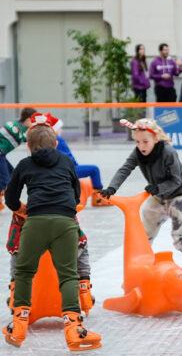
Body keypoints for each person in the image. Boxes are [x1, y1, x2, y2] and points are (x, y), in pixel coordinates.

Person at [2, 114, 101, 351]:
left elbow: (9, 196)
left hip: (35, 222)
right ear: (56, 144)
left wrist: (20, 208)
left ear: (28, 146)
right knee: (68, 275)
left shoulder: (25, 164)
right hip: (66, 223)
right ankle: (75, 330)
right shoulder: (66, 163)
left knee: (25, 272)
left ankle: (19, 325)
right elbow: (77, 195)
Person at [98, 118, 182, 296]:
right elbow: (125, 169)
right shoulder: (138, 152)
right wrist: (112, 188)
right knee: (143, 236)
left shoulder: (168, 152)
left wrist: (158, 188)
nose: (141, 146)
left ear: (155, 139)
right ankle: (141, 274)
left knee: (180, 236)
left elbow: (177, 180)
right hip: (158, 194)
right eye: (137, 141)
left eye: (145, 141)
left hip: (179, 194)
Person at [47, 113, 111, 207]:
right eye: (60, 128)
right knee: (94, 169)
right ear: (55, 130)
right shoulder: (58, 140)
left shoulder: (51, 140)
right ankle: (98, 198)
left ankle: (97, 197)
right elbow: (67, 157)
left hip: (63, 169)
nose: (61, 130)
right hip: (69, 169)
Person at [0, 107, 36, 211]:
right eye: (33, 121)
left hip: (2, 155)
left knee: (12, 174)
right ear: (28, 119)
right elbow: (30, 138)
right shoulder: (18, 129)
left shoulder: (15, 124)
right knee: (5, 180)